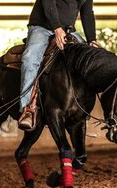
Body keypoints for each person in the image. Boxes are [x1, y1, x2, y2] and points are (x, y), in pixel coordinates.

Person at [18, 0, 98, 131]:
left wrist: (91, 39)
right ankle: (28, 109)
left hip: (68, 31)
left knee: (88, 59)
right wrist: (56, 27)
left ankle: (83, 107)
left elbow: (87, 12)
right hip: (42, 28)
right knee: (30, 59)